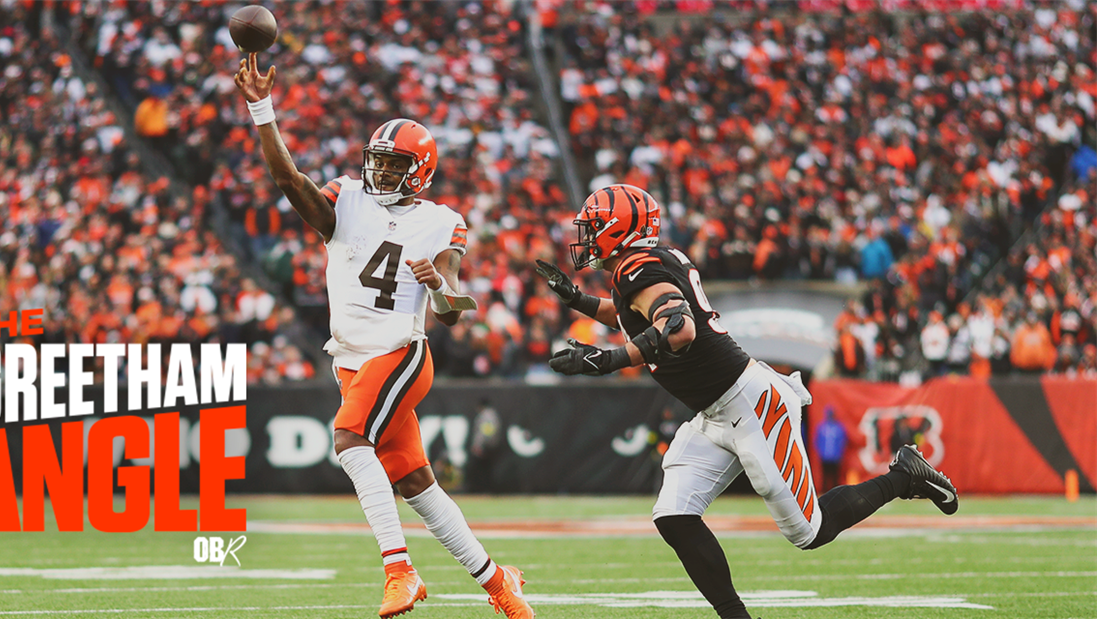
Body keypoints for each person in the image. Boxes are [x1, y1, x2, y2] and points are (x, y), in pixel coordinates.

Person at [535, 184, 958, 619]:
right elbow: (634, 313)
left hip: (750, 404)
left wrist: (606, 360)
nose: (586, 238)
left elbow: (678, 328)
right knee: (674, 515)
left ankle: (905, 476)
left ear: (619, 229)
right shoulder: (646, 265)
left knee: (810, 531)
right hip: (716, 411)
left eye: (593, 227)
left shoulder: (636, 268)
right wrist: (576, 300)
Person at [235, 54, 534, 619]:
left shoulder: (441, 220)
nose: (382, 173)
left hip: (400, 350)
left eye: (395, 165)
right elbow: (286, 178)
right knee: (417, 481)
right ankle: (500, 584)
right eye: (379, 162)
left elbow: (451, 312)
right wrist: (261, 108)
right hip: (349, 359)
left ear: (420, 170)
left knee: (349, 439)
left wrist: (438, 285)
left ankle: (400, 570)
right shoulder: (346, 199)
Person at [814, 407, 848, 488]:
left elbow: (842, 441)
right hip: (824, 456)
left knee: (835, 476)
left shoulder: (838, 427)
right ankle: (824, 491)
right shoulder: (822, 427)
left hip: (835, 457)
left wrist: (839, 453)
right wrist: (820, 452)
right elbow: (818, 440)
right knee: (825, 476)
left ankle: (836, 490)